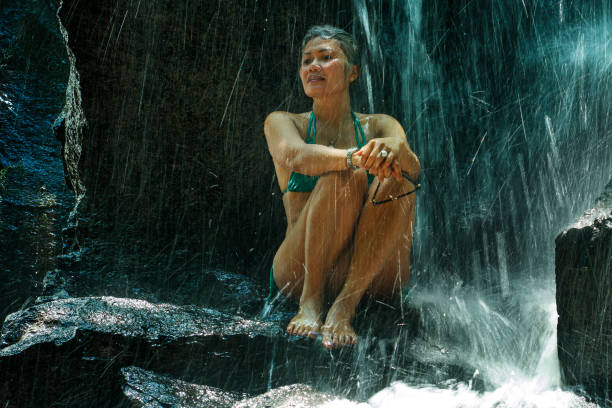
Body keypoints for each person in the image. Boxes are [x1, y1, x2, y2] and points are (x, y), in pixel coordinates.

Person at [264, 25, 420, 349]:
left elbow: (414, 170)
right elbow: (296, 155)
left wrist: (397, 150)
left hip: (375, 276)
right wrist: (355, 158)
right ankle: (311, 302)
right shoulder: (284, 122)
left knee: (397, 177)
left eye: (326, 57)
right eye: (307, 61)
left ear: (353, 72)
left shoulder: (380, 124)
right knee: (344, 173)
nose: (313, 67)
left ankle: (344, 306)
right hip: (301, 271)